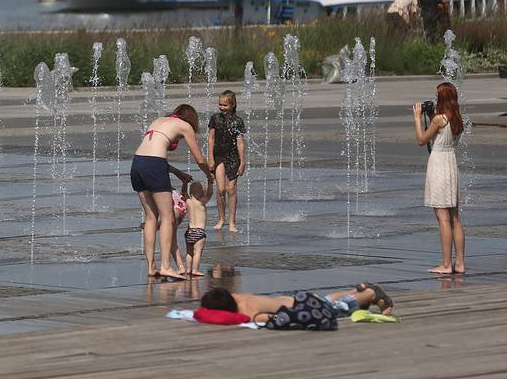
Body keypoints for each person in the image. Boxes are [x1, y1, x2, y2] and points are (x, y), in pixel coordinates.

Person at [130, 103, 210, 281]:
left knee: (151, 217)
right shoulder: (185, 126)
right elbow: (199, 158)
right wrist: (209, 174)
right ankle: (166, 266)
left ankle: (151, 266)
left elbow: (149, 153)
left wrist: (177, 172)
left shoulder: (159, 120)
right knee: (168, 217)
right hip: (154, 165)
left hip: (137, 164)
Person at [414, 81, 465, 275]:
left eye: (437, 97)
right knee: (455, 217)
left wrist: (417, 118)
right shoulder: (457, 118)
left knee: (442, 217)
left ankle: (446, 264)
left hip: (438, 165)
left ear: (442, 98)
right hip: (451, 164)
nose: (435, 100)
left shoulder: (438, 120)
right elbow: (442, 128)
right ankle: (459, 263)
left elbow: (421, 140)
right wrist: (431, 116)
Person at [200, 282, 393, 327]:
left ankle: (369, 294)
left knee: (337, 309)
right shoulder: (237, 296)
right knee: (327, 300)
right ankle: (359, 291)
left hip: (300, 308)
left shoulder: (248, 312)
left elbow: (270, 319)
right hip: (294, 298)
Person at [208, 90, 246, 232]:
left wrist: (242, 162)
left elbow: (240, 143)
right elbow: (211, 139)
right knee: (221, 189)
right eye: (220, 104)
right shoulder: (215, 119)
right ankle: (221, 218)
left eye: (225, 105)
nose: (222, 107)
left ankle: (231, 222)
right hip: (218, 156)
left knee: (231, 189)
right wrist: (210, 158)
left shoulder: (238, 121)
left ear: (232, 105)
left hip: (233, 157)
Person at [183, 176, 214, 278]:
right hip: (199, 232)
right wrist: (210, 182)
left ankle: (188, 269)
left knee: (189, 252)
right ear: (202, 192)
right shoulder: (201, 202)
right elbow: (210, 193)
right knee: (198, 252)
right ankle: (195, 270)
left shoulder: (189, 202)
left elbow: (183, 193)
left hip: (189, 232)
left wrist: (184, 183)